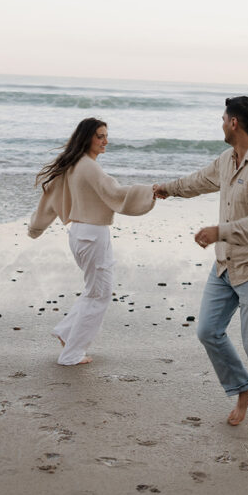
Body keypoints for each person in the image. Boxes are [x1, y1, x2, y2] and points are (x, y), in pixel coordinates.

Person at [153, 95, 248, 432]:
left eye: (222, 119)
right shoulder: (227, 160)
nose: (221, 125)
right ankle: (244, 388)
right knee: (208, 331)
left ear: (234, 123)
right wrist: (167, 189)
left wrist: (220, 231)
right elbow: (198, 181)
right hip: (226, 264)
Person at [29, 117, 155, 365]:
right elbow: (115, 192)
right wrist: (151, 191)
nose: (105, 141)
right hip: (92, 234)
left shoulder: (73, 164)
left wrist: (35, 228)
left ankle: (67, 333)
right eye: (100, 136)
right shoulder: (88, 166)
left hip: (80, 233)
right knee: (100, 294)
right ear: (87, 138)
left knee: (94, 291)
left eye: (106, 136)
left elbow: (50, 198)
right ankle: (72, 354)